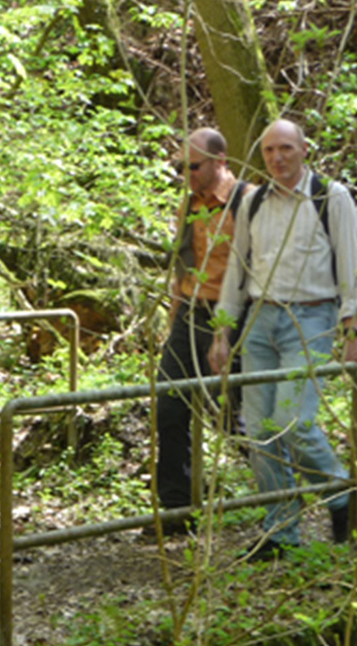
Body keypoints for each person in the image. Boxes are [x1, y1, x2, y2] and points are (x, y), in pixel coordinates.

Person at [208, 119, 357, 560]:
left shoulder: (330, 197)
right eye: (269, 152)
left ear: (303, 149)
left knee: (293, 420)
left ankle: (340, 491)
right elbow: (237, 271)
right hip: (259, 319)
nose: (278, 158)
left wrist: (353, 332)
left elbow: (352, 266)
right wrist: (223, 332)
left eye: (285, 149)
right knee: (259, 430)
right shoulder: (253, 202)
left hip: (312, 317)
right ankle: (280, 532)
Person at [154, 128, 251, 534]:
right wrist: (173, 318)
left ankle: (285, 492)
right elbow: (183, 265)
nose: (187, 173)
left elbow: (253, 271)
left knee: (235, 418)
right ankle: (177, 508)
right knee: (169, 407)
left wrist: (227, 332)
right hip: (189, 313)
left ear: (220, 161)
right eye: (182, 167)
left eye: (193, 166)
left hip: (232, 319)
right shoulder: (188, 205)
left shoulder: (247, 202)